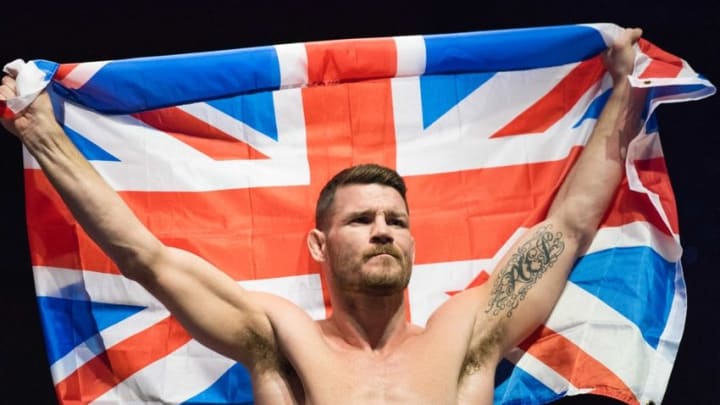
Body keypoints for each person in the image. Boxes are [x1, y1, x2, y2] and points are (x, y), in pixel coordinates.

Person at [1, 28, 646, 404]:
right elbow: (147, 258)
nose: (384, 230)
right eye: (361, 220)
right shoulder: (281, 342)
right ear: (318, 244)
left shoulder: (467, 334)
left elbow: (568, 226)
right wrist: (44, 136)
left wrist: (624, 90)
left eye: (395, 219)